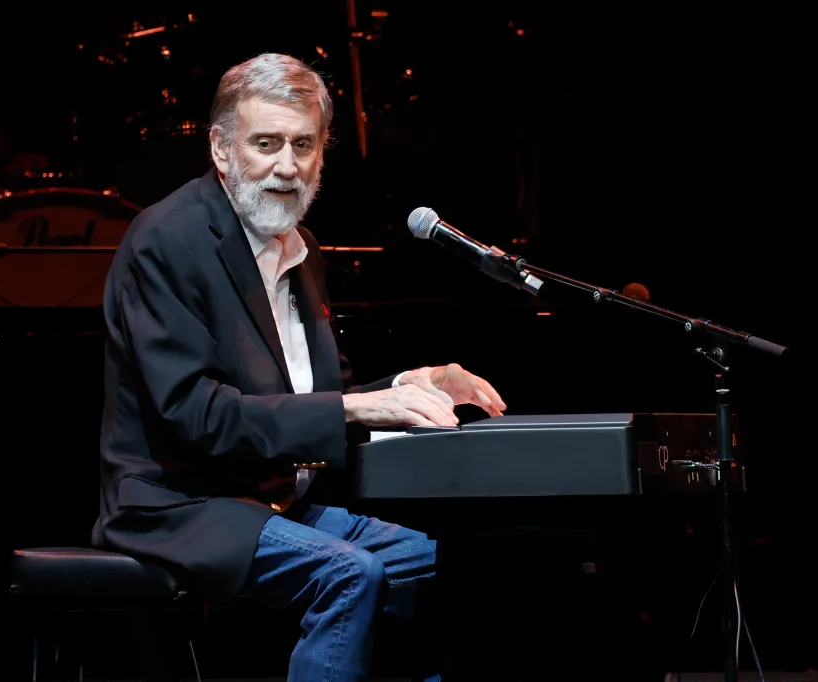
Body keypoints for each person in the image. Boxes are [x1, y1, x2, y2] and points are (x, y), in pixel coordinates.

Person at [92, 52, 507, 681]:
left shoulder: (299, 247)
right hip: (177, 506)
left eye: (304, 145)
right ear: (222, 150)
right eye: (266, 143)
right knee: (351, 572)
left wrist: (407, 384)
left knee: (437, 563)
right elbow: (193, 416)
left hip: (273, 502)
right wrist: (351, 407)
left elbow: (319, 398)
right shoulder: (167, 241)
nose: (288, 167)